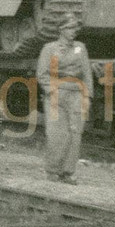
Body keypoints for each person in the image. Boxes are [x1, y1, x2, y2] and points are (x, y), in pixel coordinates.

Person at [37, 13, 94, 184]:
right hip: (56, 94)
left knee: (75, 133)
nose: (73, 31)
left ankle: (68, 172)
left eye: (75, 28)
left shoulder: (80, 48)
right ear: (61, 30)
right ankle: (53, 170)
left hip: (76, 94)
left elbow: (86, 73)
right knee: (56, 133)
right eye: (69, 28)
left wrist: (88, 95)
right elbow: (42, 74)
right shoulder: (49, 49)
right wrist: (51, 91)